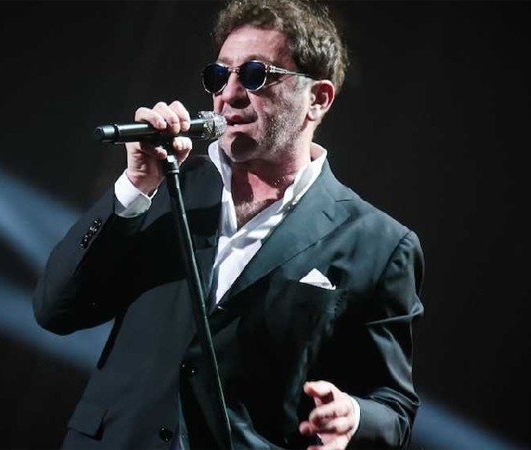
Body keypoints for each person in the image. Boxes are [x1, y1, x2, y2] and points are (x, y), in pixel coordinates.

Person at [33, 0, 425, 448]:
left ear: (317, 99)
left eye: (256, 75)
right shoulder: (165, 187)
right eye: (219, 75)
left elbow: (394, 408)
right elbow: (56, 309)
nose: (230, 93)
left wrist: (353, 415)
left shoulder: (378, 243)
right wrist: (136, 185)